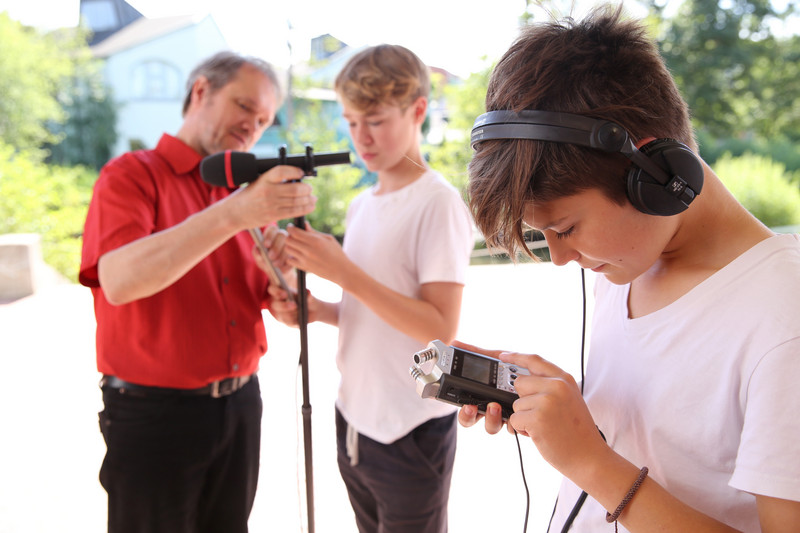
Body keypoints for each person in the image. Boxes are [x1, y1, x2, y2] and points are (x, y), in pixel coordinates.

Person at [458, 5, 800, 533]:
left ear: (658, 175)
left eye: (565, 228)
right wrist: (561, 416)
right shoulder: (627, 266)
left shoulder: (784, 320)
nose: (561, 258)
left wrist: (590, 463)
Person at [79, 51, 316, 533]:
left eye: (264, 118)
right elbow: (120, 282)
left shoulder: (247, 196)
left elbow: (279, 305)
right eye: (244, 106)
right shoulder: (131, 175)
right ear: (202, 91)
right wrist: (233, 214)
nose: (254, 125)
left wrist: (284, 287)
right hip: (154, 414)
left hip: (241, 404)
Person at [267, 44, 474, 532]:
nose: (360, 136)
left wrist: (344, 272)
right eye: (351, 120)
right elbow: (375, 309)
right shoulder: (363, 203)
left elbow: (437, 327)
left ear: (418, 109)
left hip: (408, 427)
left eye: (375, 120)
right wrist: (320, 309)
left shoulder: (436, 202)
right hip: (354, 416)